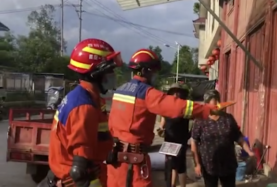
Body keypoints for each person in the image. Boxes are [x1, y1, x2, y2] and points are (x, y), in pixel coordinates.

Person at [106, 48, 226, 187]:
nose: (155, 76)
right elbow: (178, 107)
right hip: (133, 163)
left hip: (116, 159)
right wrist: (208, 110)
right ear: (145, 71)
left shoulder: (120, 91)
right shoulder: (147, 93)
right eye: (154, 72)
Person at [41, 38, 123, 187]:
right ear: (96, 73)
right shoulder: (84, 107)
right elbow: (79, 169)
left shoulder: (83, 97)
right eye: (109, 70)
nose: (113, 75)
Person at [191, 90, 254, 187]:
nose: (218, 105)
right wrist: (197, 164)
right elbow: (194, 142)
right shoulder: (200, 120)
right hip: (209, 164)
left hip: (227, 163)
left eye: (218, 102)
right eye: (214, 103)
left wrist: (249, 152)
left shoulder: (228, 118)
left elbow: (238, 137)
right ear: (207, 104)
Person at [158, 83, 191, 187]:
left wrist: (190, 134)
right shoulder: (166, 108)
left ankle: (181, 185)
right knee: (170, 165)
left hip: (181, 140)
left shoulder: (186, 107)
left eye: (178, 92)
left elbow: (195, 119)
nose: (176, 94)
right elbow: (162, 124)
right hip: (169, 141)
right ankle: (171, 185)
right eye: (173, 92)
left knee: (180, 165)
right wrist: (160, 130)